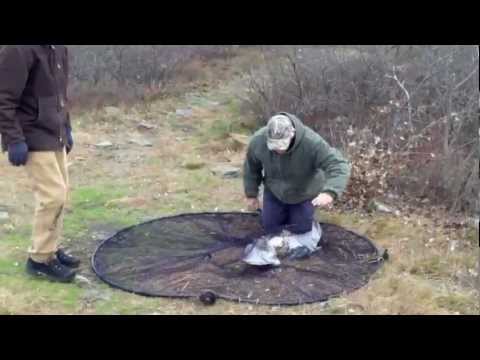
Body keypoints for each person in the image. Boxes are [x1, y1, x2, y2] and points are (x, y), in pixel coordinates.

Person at [0, 45, 79, 283]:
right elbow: (3, 99)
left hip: (54, 132)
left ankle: (51, 249)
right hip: (32, 135)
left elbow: (60, 94)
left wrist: (67, 127)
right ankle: (39, 260)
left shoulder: (58, 48)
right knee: (52, 196)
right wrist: (14, 140)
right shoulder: (18, 50)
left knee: (62, 194)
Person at [243, 112, 351, 258]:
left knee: (301, 229)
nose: (279, 150)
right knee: (270, 226)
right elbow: (251, 167)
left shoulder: (311, 142)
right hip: (274, 191)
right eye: (274, 146)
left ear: (292, 134)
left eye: (282, 145)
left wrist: (330, 192)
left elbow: (338, 165)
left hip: (304, 192)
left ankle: (312, 227)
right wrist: (251, 194)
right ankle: (283, 220)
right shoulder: (258, 140)